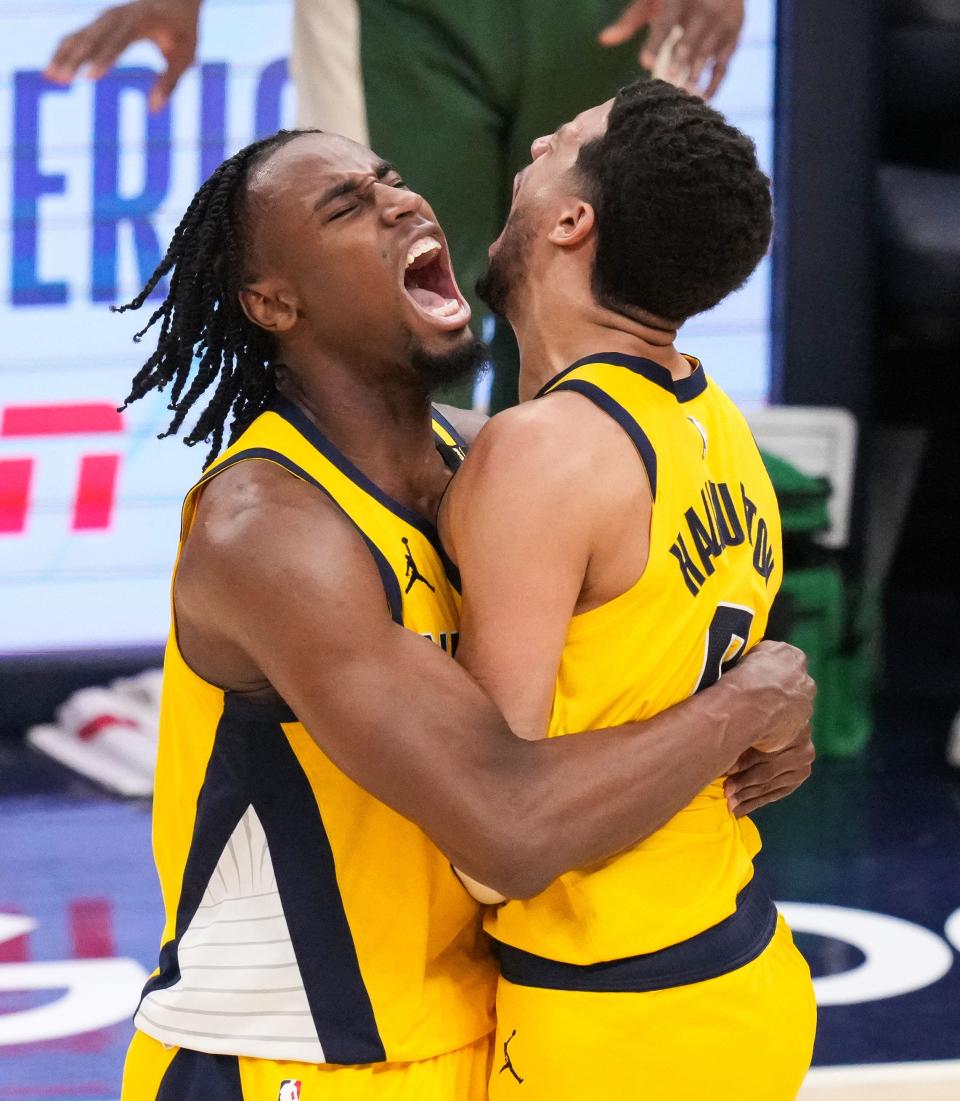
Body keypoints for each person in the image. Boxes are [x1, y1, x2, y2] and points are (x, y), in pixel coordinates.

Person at [113, 128, 814, 1098]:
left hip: (486, 1027)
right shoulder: (272, 534)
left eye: (394, 177)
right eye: (347, 206)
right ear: (274, 301)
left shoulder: (494, 462)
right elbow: (506, 828)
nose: (402, 201)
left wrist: (775, 702)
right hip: (293, 1058)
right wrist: (753, 699)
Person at [440, 80, 816, 1099]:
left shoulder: (543, 457)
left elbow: (489, 835)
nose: (525, 159)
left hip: (618, 1025)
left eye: (552, 145)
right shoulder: (715, 423)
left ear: (572, 221)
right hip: (736, 971)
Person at [45, 0, 747, 411]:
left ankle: (578, 623)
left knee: (598, 311)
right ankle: (399, 618)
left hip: (610, 17)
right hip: (394, 20)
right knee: (388, 316)